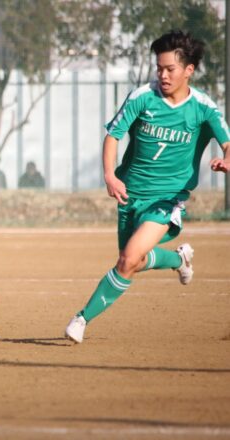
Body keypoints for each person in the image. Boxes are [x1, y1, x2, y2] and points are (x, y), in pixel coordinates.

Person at [64, 30, 230, 344]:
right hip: (130, 194)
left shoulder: (204, 108)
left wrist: (227, 159)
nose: (162, 75)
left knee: (128, 259)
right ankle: (179, 260)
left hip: (167, 199)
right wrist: (110, 175)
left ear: (189, 70)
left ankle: (81, 319)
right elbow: (113, 135)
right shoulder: (142, 96)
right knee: (133, 262)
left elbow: (227, 142)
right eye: (159, 68)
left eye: (170, 69)